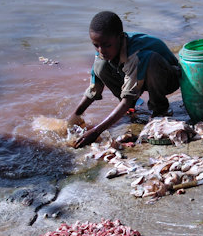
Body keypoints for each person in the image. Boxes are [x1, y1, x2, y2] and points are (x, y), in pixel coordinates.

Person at [68, 11, 181, 148]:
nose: (101, 50)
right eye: (96, 45)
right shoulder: (103, 49)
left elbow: (127, 98)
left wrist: (96, 131)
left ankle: (160, 109)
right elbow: (94, 88)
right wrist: (75, 116)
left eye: (106, 45)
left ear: (120, 38)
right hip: (139, 74)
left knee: (150, 60)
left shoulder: (134, 53)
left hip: (168, 77)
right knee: (100, 65)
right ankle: (131, 108)